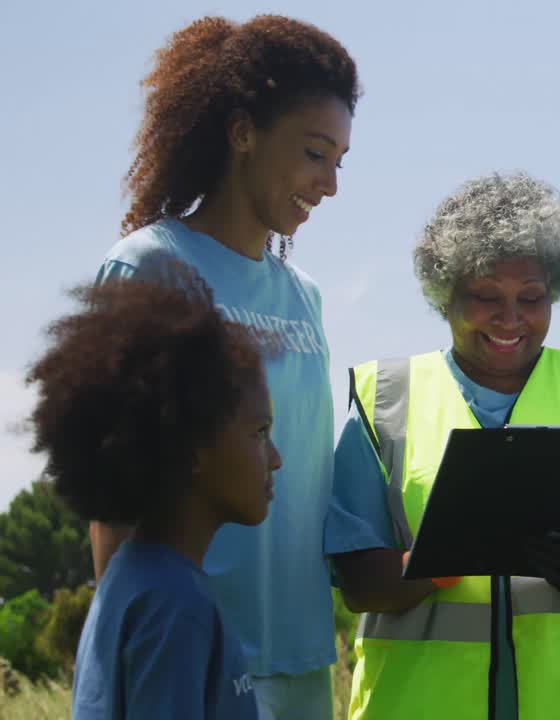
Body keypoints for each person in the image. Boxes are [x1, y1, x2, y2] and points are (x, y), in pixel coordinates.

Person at [327, 171, 560, 720]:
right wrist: (443, 558)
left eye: (532, 298)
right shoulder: (383, 399)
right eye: (485, 296)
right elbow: (359, 582)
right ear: (445, 295)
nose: (511, 319)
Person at [89, 15, 359, 719]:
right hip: (189, 652)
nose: (329, 183)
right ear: (242, 132)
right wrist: (130, 651)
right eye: (313, 153)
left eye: (340, 161)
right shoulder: (150, 268)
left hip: (300, 659)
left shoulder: (306, 299)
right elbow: (114, 495)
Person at [28, 267, 278, 719]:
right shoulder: (175, 605)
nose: (275, 457)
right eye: (260, 433)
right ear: (192, 450)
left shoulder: (133, 578)